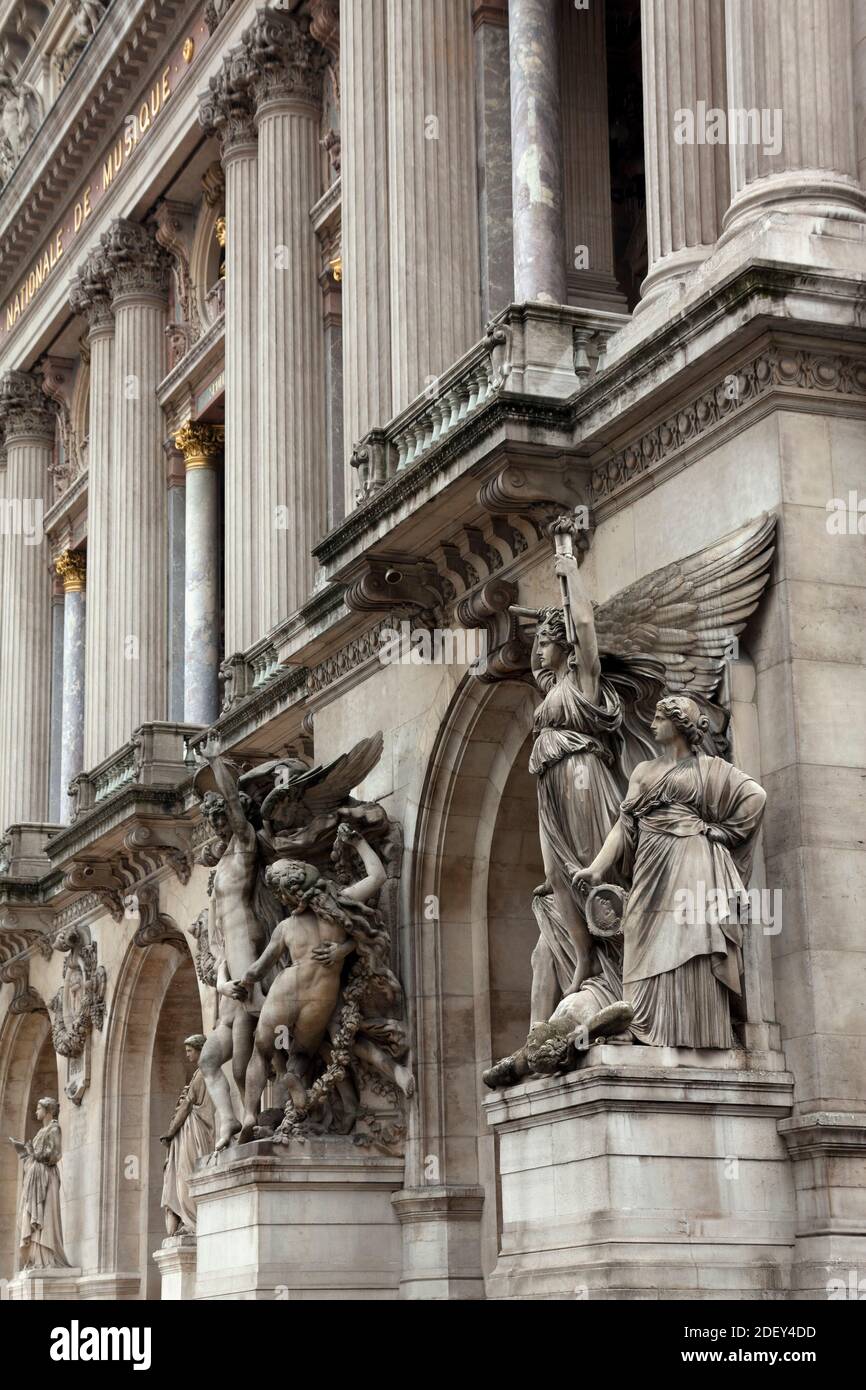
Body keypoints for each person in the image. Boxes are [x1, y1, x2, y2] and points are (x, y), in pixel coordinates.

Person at [573, 695, 766, 1048]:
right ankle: (641, 1023)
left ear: (679, 724)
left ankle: (695, 1030)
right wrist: (597, 867)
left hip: (692, 858)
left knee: (691, 935)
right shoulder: (643, 771)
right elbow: (623, 824)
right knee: (640, 929)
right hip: (650, 861)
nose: (652, 724)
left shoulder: (709, 768)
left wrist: (723, 832)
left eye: (660, 718)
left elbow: (755, 795)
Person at [527, 530, 626, 1024]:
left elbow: (584, 624)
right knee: (553, 876)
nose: (539, 652)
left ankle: (613, 959)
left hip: (583, 778)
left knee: (591, 868)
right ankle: (584, 954)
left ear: (565, 649)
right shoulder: (551, 690)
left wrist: (568, 569)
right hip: (551, 785)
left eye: (546, 644)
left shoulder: (584, 678)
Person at [159, 1036, 214, 1236]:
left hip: (194, 1131)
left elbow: (187, 1105)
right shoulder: (203, 1073)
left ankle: (192, 1222)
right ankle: (189, 1220)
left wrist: (170, 1132)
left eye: (190, 1050)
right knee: (184, 1174)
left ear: (200, 1050)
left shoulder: (202, 1074)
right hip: (194, 1130)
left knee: (185, 1175)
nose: (187, 1054)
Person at [10, 1097, 70, 1270]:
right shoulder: (41, 1132)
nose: (36, 1111)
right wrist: (27, 1152)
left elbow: (54, 1154)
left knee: (45, 1217)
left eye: (38, 1108)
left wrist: (33, 1154)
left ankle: (47, 1258)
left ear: (48, 1110)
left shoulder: (54, 1129)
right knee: (32, 1217)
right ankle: (36, 1259)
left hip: (46, 1178)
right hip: (35, 1177)